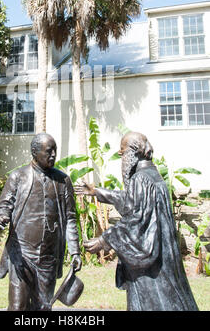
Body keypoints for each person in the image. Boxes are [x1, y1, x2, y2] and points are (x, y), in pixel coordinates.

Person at [74, 131, 199, 311]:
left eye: (123, 152)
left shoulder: (141, 179)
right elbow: (132, 202)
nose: (122, 157)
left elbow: (137, 220)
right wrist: (96, 191)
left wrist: (104, 240)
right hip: (163, 258)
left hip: (151, 269)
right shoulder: (152, 175)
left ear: (133, 152)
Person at [0, 133, 82, 311]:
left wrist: (75, 251)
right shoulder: (18, 177)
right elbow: (4, 205)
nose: (53, 155)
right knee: (18, 306)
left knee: (43, 307)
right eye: (48, 151)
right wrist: (1, 216)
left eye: (55, 151)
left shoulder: (63, 180)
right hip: (22, 255)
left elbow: (70, 218)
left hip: (48, 257)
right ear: (34, 152)